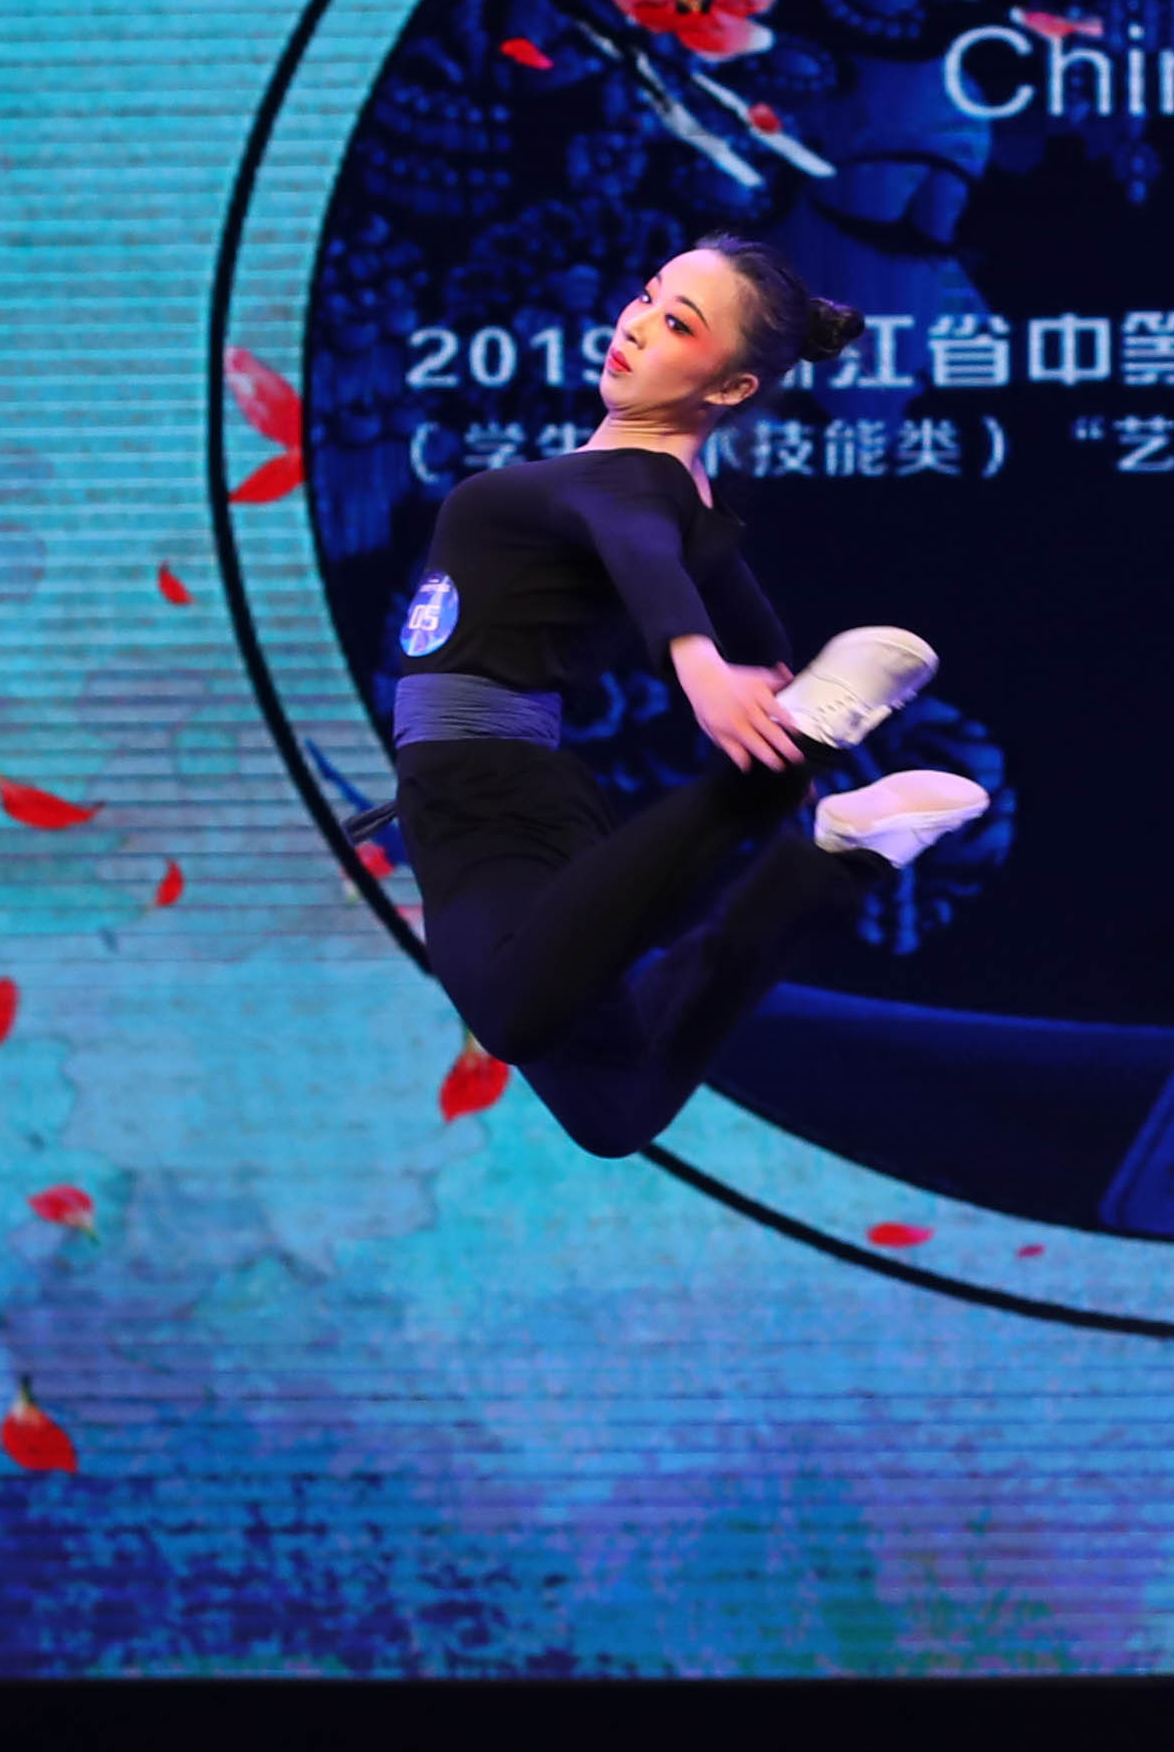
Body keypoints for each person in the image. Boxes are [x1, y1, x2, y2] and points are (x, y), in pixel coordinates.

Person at [375, 233, 989, 1156]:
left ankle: (761, 794)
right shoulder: (675, 496)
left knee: (514, 1015)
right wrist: (772, 697)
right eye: (649, 296)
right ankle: (822, 862)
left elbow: (639, 548)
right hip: (520, 796)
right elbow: (756, 636)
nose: (637, 325)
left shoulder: (633, 481)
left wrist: (704, 670)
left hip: (482, 790)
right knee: (613, 1110)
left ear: (731, 387)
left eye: (679, 324)